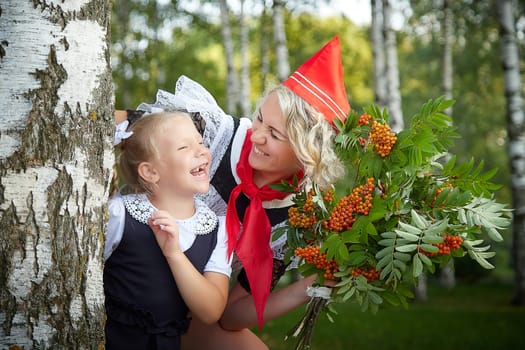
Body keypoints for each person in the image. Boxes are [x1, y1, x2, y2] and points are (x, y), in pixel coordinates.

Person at [114, 35, 350, 349]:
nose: (258, 135)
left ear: (306, 154)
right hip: (123, 263)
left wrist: (310, 286)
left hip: (185, 303)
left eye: (274, 134)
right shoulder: (209, 133)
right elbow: (116, 127)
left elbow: (228, 315)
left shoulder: (295, 220)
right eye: (261, 118)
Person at [104, 111, 232, 350]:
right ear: (150, 172)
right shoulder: (120, 214)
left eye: (201, 142)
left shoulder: (217, 229)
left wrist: (174, 254)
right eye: (184, 147)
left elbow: (211, 310)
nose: (201, 151)